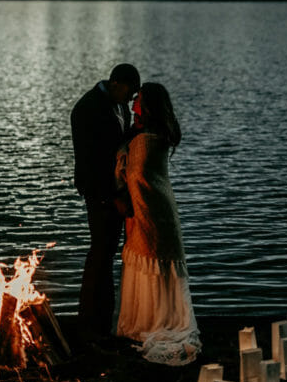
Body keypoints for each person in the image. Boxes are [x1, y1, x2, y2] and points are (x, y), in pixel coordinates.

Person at [116, 82, 201, 365]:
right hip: (159, 208)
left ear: (148, 105)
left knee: (153, 259)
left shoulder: (148, 139)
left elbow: (138, 175)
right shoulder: (149, 133)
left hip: (153, 210)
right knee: (151, 261)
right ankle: (149, 320)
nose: (132, 104)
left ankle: (158, 323)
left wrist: (121, 181)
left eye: (137, 99)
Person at [71, 62, 141, 344]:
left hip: (115, 190)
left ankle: (102, 319)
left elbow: (119, 142)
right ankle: (90, 321)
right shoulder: (88, 109)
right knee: (100, 253)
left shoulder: (118, 105)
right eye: (130, 91)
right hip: (99, 192)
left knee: (107, 253)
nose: (131, 98)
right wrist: (112, 197)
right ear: (116, 84)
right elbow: (92, 161)